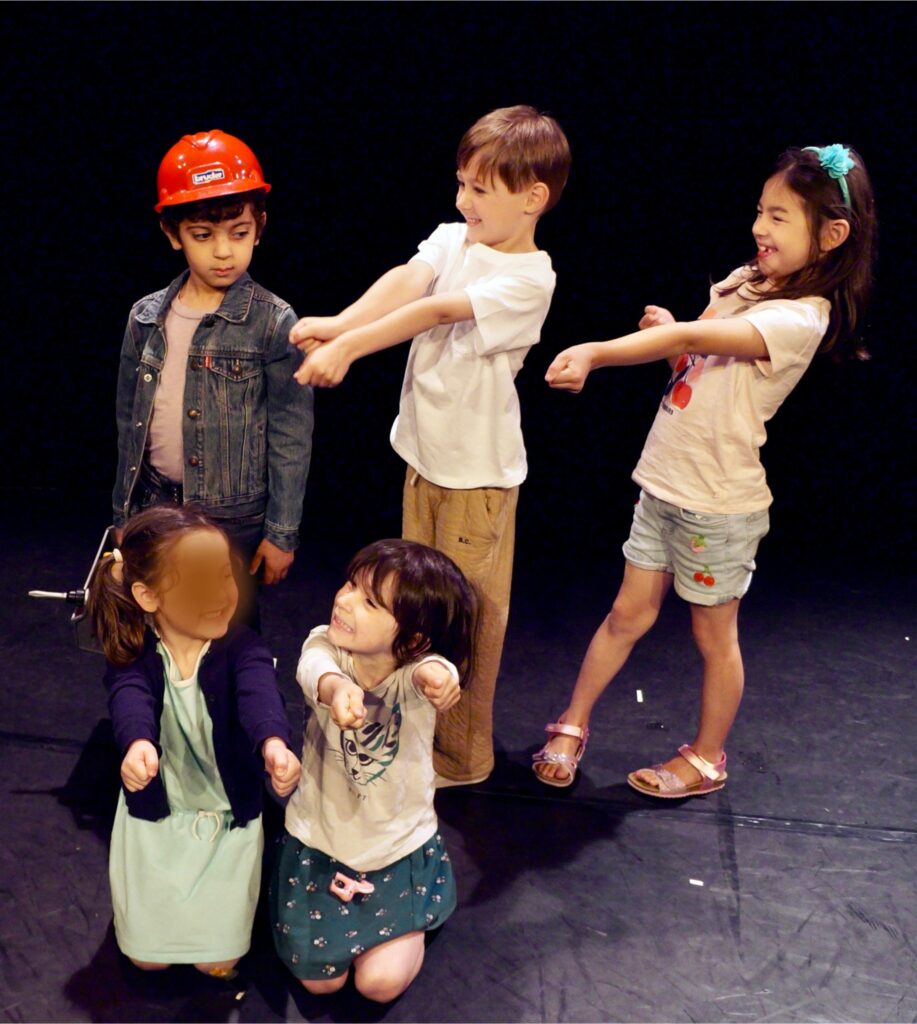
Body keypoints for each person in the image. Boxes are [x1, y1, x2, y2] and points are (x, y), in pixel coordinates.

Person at [533, 144, 876, 796]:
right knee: (625, 614)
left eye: (779, 217)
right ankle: (572, 722)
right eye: (759, 211)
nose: (759, 227)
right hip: (664, 483)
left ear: (830, 235)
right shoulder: (746, 281)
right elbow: (694, 362)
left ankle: (705, 759)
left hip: (717, 504)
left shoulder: (801, 317)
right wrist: (670, 335)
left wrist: (597, 352)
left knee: (713, 638)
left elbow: (691, 340)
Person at [289, 105, 571, 785]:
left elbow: (435, 311)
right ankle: (419, 736)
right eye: (461, 183)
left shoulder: (530, 278)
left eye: (479, 188)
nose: (462, 200)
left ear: (532, 198)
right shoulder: (454, 239)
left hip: (476, 478)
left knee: (466, 617)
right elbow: (406, 282)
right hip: (425, 460)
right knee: (416, 611)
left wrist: (351, 349)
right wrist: (340, 322)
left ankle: (461, 756)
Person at [87, 503, 301, 974]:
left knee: (219, 960)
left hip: (225, 810)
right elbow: (129, 697)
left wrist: (274, 744)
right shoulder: (136, 651)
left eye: (223, 575)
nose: (219, 594)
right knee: (146, 960)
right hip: (163, 805)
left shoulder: (243, 646)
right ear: (148, 596)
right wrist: (138, 744)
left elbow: (259, 695)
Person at [111, 130, 314, 625]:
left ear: (259, 227)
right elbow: (128, 422)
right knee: (156, 632)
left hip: (234, 520)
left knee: (228, 638)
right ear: (172, 232)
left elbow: (292, 432)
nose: (224, 252)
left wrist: (281, 532)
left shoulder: (273, 320)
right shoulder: (145, 317)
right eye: (203, 235)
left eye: (239, 233)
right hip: (155, 505)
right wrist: (124, 517)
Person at [271, 539, 476, 1002]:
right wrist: (337, 688)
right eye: (350, 585)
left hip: (394, 850)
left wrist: (440, 680)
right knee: (319, 983)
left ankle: (407, 924)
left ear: (413, 639)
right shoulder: (326, 645)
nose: (344, 601)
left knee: (379, 985)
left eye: (369, 602)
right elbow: (314, 668)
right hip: (320, 842)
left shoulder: (415, 672)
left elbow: (435, 672)